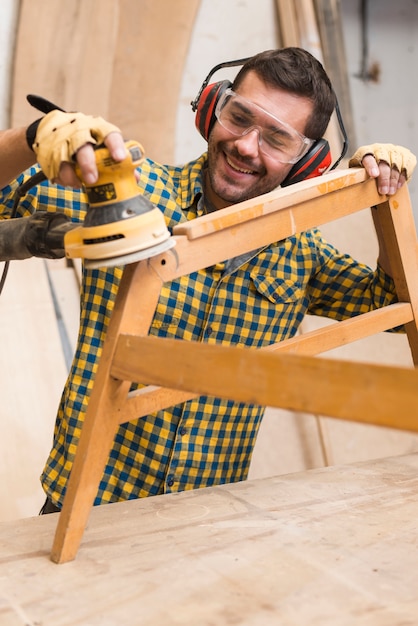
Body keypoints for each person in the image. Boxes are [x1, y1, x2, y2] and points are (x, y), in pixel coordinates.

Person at [0, 47, 415, 514]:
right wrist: (29, 139)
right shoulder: (123, 193)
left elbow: (397, 309)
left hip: (203, 520)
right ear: (212, 108)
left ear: (307, 164)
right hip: (82, 500)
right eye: (239, 117)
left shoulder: (304, 256)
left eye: (277, 139)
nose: (245, 145)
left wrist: (384, 199)